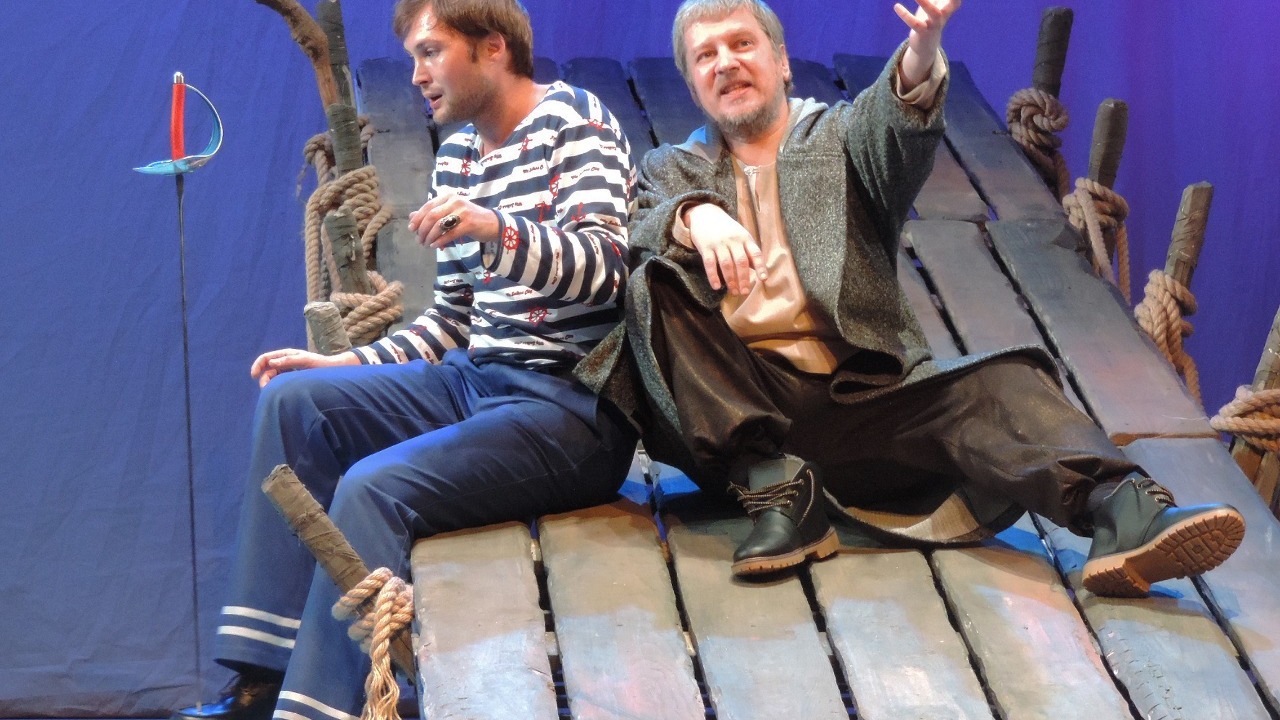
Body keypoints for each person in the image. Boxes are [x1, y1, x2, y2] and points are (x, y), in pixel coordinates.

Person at [575, 0, 1245, 596]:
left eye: (742, 43)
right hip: (737, 419)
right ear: (693, 82)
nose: (725, 62)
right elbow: (641, 224)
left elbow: (894, 129)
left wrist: (922, 51)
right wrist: (693, 215)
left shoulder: (838, 137)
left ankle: (1126, 513)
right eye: (706, 55)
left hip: (862, 404)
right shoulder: (673, 167)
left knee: (1003, 381)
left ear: (781, 63)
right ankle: (779, 492)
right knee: (651, 282)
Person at [172, 2, 637, 719]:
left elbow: (607, 269)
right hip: (476, 382)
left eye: (431, 52)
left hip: (570, 408)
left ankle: (321, 708)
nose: (418, 75)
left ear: (492, 48)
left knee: (373, 488)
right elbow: (452, 323)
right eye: (414, 57)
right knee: (292, 402)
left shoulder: (575, 121)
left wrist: (497, 228)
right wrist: (346, 365)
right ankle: (258, 685)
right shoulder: (458, 156)